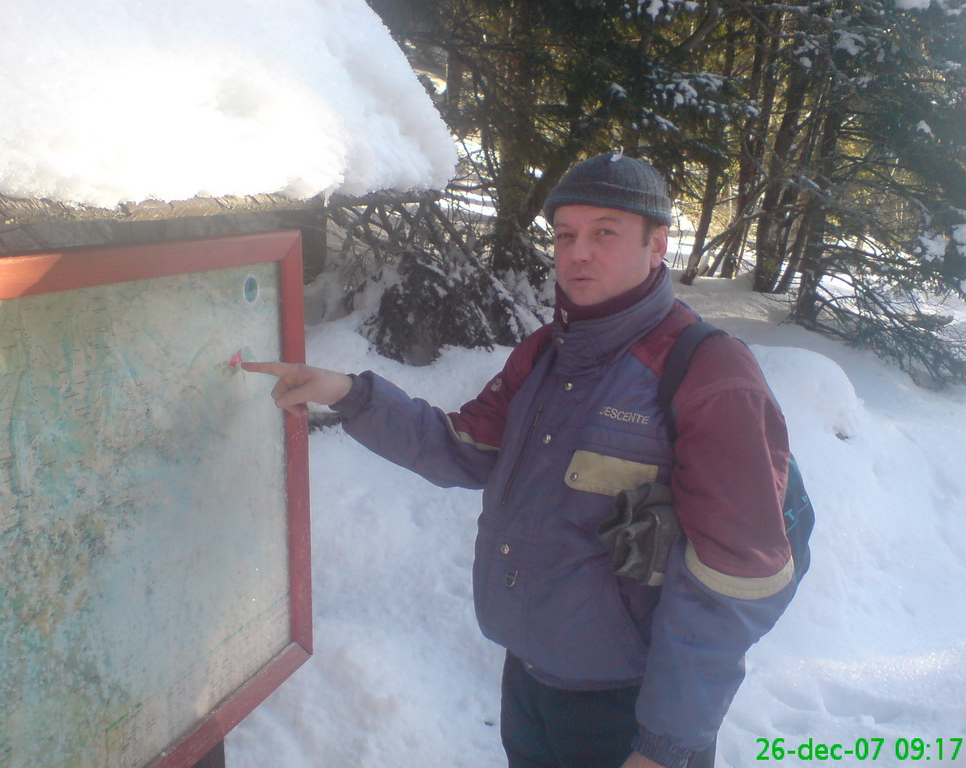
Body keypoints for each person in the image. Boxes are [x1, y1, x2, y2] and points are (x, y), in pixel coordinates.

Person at [243, 152, 801, 768]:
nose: (577, 253)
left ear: (658, 242)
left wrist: (665, 745)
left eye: (604, 233)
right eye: (565, 235)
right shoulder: (545, 356)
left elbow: (737, 582)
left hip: (629, 715)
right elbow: (463, 449)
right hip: (529, 689)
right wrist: (348, 394)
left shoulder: (708, 374)